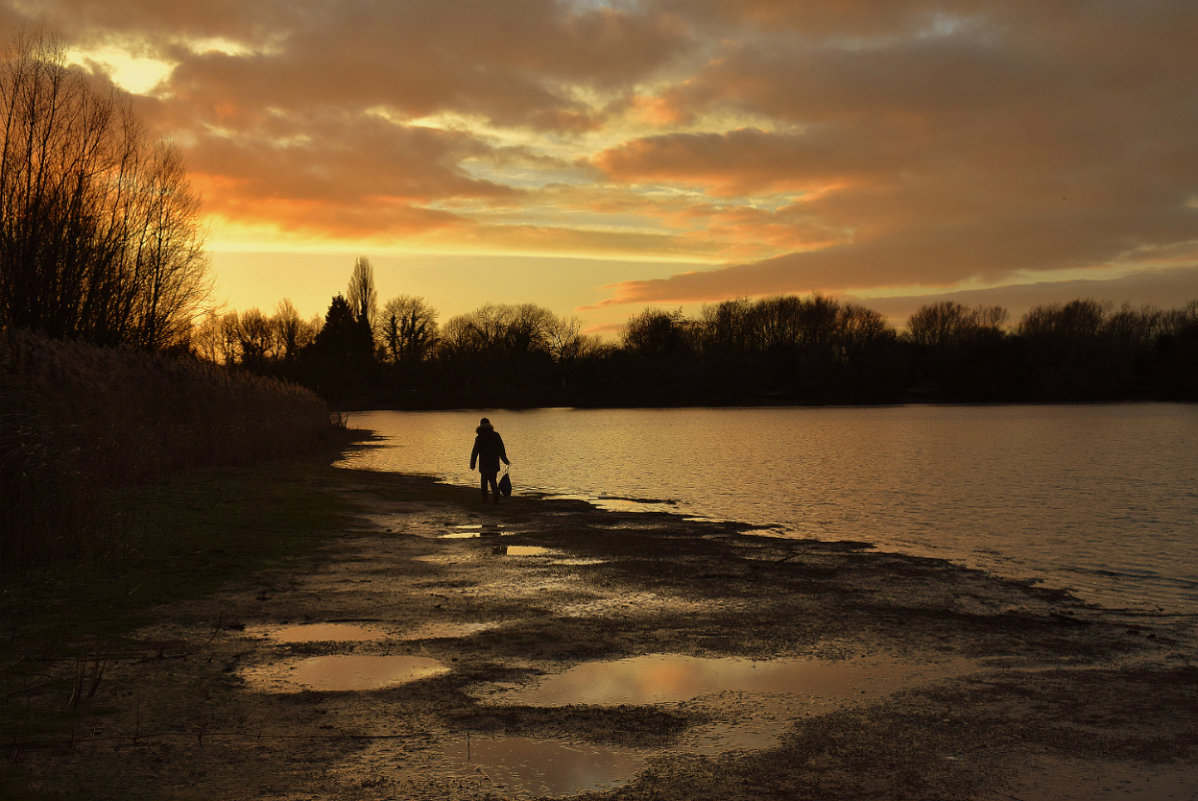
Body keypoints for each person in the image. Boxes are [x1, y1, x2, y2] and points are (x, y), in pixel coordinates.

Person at [469, 417, 510, 503]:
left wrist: (472, 463)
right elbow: (501, 449)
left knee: (484, 482)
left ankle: (485, 500)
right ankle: (495, 499)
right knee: (493, 481)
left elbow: (475, 452)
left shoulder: (479, 437)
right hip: (493, 462)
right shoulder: (496, 435)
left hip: (483, 463)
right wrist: (505, 460)